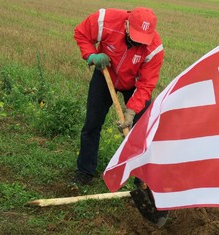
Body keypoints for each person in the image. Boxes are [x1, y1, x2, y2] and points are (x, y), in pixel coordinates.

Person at [70, 7, 164, 188]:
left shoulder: (154, 48)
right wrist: (92, 55)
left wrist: (132, 111)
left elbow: (146, 84)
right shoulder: (105, 20)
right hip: (105, 74)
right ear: (127, 24)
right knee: (92, 124)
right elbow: (81, 33)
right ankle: (85, 171)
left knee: (143, 130)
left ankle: (142, 179)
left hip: (135, 85)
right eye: (135, 36)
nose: (139, 42)